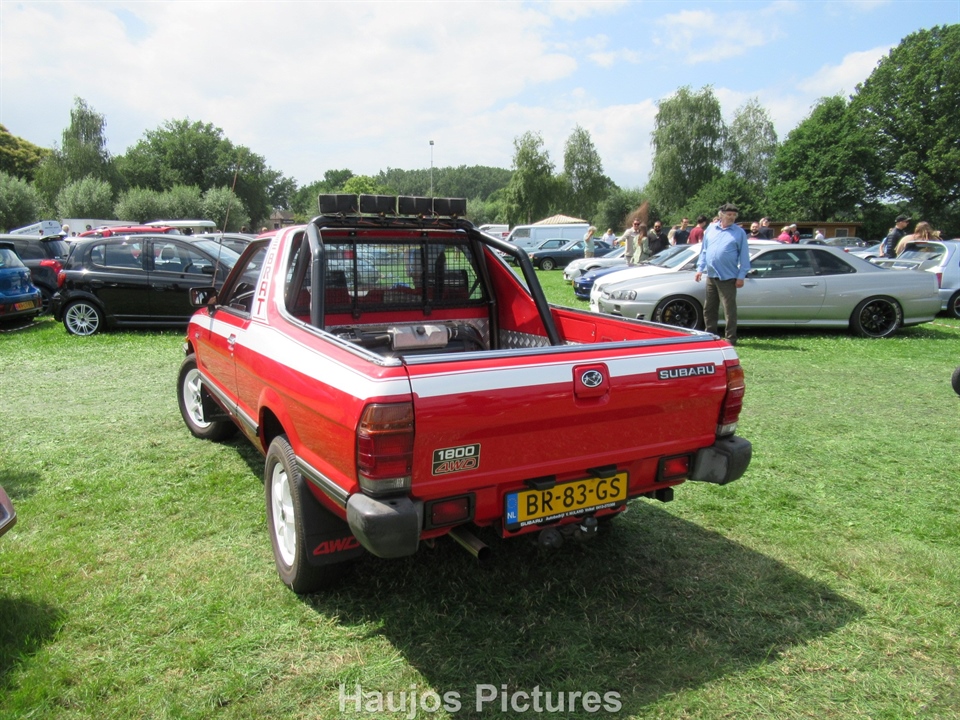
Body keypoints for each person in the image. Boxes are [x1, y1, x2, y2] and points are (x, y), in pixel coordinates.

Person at [695, 203, 750, 346]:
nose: (732, 217)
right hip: (711, 275)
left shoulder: (739, 233)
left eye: (734, 215)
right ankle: (710, 334)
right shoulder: (711, 229)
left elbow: (744, 256)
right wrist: (700, 268)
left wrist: (741, 276)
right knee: (709, 308)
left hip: (728, 277)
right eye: (729, 214)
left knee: (729, 309)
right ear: (721, 215)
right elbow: (704, 251)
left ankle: (730, 338)